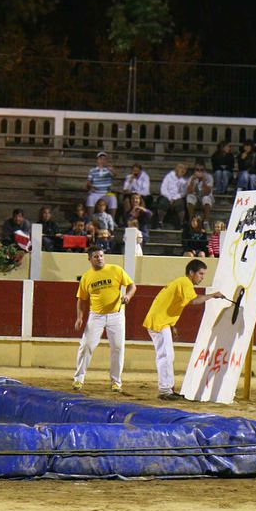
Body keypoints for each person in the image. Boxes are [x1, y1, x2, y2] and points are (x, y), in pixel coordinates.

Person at [143, 259, 224, 399]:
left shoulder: (181, 282)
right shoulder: (185, 282)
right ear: (191, 273)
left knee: (167, 355)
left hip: (162, 322)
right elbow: (194, 300)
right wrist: (212, 295)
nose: (202, 277)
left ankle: (167, 388)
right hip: (159, 322)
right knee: (166, 356)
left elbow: (171, 303)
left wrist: (172, 325)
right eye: (200, 273)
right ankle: (165, 390)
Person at [73, 244, 136, 393]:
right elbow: (81, 299)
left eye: (101, 256)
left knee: (118, 348)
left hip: (116, 314)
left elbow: (132, 286)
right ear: (89, 259)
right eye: (96, 257)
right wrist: (79, 317)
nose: (99, 259)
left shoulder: (116, 270)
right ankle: (78, 379)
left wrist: (127, 296)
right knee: (87, 346)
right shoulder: (87, 277)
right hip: (96, 316)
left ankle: (116, 382)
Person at [86, 151, 117, 219]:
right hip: (95, 192)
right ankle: (90, 220)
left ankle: (112, 220)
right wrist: (91, 186)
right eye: (101, 159)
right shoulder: (92, 170)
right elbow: (88, 182)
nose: (102, 160)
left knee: (113, 198)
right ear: (97, 160)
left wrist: (112, 170)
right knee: (90, 198)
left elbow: (115, 174)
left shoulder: (109, 170)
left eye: (104, 159)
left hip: (106, 192)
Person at [156, 162, 188, 229]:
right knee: (162, 203)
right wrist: (170, 198)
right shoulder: (169, 176)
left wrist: (174, 198)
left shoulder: (184, 181)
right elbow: (163, 188)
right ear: (176, 169)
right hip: (167, 196)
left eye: (184, 169)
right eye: (181, 168)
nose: (183, 170)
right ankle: (160, 222)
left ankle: (181, 223)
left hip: (177, 198)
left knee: (180, 204)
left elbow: (183, 193)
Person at [185, 160, 215, 231]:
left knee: (206, 198)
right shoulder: (192, 177)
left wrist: (203, 181)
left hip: (205, 197)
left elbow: (207, 192)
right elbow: (189, 191)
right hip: (196, 198)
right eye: (197, 170)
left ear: (204, 170)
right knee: (189, 197)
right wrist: (192, 181)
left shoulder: (209, 177)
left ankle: (206, 221)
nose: (199, 171)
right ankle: (191, 219)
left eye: (201, 170)